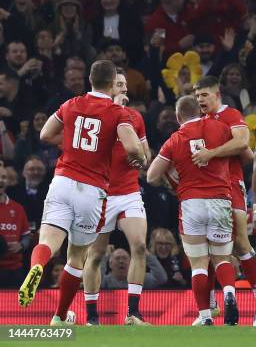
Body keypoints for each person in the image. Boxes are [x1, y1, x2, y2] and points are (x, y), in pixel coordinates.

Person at [18, 60, 146, 327]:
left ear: (90, 80)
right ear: (112, 84)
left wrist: (74, 145)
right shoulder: (117, 112)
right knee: (76, 257)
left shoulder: (72, 103)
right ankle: (59, 317)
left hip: (63, 181)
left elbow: (44, 134)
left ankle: (37, 267)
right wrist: (138, 160)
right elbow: (134, 148)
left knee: (48, 242)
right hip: (92, 190)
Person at [147, 96, 237, 326]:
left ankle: (205, 316)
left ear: (178, 117)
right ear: (201, 110)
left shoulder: (175, 139)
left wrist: (171, 178)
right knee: (221, 258)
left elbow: (151, 176)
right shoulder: (220, 127)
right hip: (220, 199)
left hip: (191, 203)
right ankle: (228, 291)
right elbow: (240, 147)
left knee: (198, 263)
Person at [192, 76, 256, 326]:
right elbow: (245, 153)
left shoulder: (231, 114)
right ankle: (210, 307)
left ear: (217, 95)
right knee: (205, 246)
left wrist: (212, 153)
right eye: (196, 97)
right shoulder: (203, 122)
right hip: (206, 190)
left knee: (240, 244)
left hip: (231, 185)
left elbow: (242, 144)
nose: (200, 100)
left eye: (204, 95)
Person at [82, 68, 152, 326]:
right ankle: (91, 317)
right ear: (109, 87)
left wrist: (140, 160)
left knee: (140, 246)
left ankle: (133, 314)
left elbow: (146, 157)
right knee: (96, 254)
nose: (123, 89)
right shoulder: (97, 116)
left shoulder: (135, 117)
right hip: (101, 193)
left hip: (129, 192)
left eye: (124, 85)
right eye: (118, 85)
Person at [0, 164, 30, 288]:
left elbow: (26, 236)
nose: (1, 180)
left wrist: (21, 245)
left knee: (15, 307)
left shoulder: (18, 208)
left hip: (15, 270)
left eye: (4, 177)